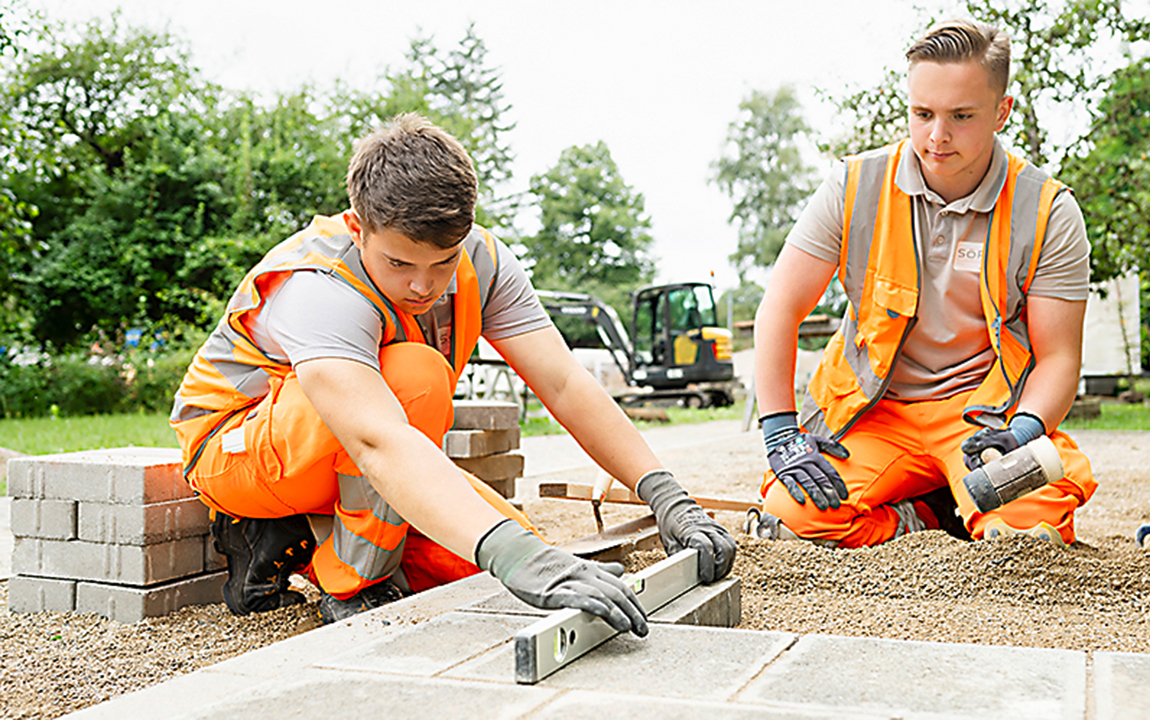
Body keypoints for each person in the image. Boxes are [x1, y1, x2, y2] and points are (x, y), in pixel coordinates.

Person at [170, 113, 735, 629]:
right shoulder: (320, 287)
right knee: (416, 375)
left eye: (443, 262)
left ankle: (313, 538)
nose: (423, 285)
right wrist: (512, 555)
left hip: (358, 455)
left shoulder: (486, 262)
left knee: (521, 566)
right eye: (399, 263)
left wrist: (666, 497)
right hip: (237, 454)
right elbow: (378, 439)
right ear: (359, 226)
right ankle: (344, 580)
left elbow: (564, 384)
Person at [748, 18, 1096, 549]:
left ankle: (965, 492)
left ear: (1002, 111)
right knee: (793, 516)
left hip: (985, 422)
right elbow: (779, 310)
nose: (937, 136)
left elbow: (1058, 357)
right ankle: (928, 519)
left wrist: (1025, 430)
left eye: (961, 116)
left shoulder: (1048, 210)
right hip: (877, 417)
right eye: (922, 114)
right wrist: (780, 432)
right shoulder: (853, 186)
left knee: (1028, 528)